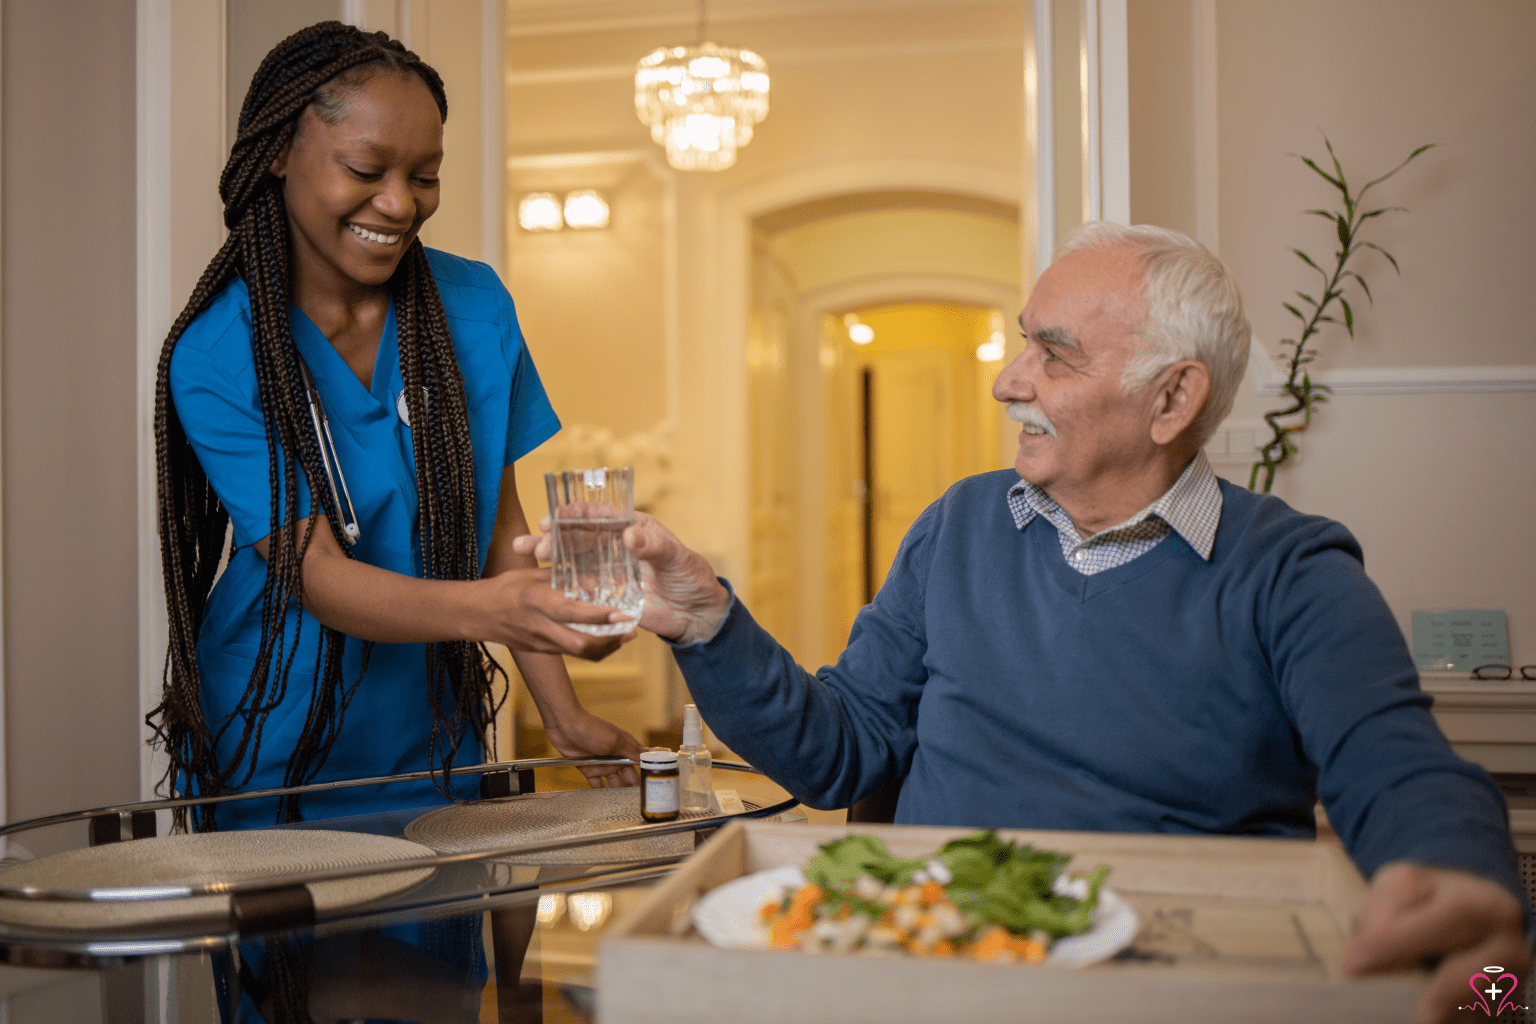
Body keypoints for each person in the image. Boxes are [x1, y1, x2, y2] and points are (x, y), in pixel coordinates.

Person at [519, 222, 1530, 1023]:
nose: (1010, 381)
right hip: (932, 966)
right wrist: (709, 626)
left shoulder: (1289, 568)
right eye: (1022, 345)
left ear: (1173, 399)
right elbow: (841, 754)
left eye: (1055, 356)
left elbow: (1397, 761)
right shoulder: (959, 525)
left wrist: (1463, 904)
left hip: (1168, 985)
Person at [148, 21, 641, 834]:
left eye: (426, 176)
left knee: (445, 958)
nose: (400, 203)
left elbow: (499, 525)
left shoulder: (475, 307)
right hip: (274, 743)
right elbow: (317, 578)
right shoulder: (218, 355)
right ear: (277, 154)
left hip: (433, 735)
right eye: (365, 169)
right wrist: (498, 610)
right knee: (299, 963)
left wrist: (565, 715)